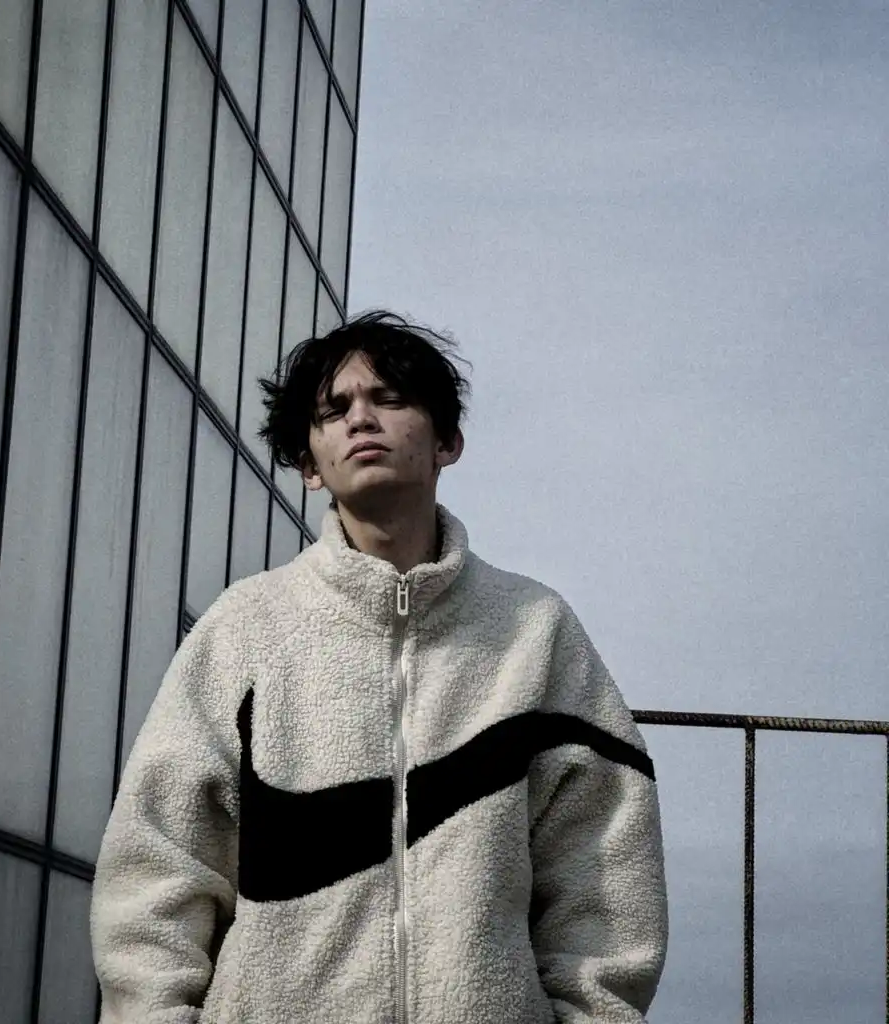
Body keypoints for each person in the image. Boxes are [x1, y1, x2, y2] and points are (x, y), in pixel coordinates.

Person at [90, 311, 669, 1023]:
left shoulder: (535, 630)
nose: (361, 418)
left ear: (447, 441)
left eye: (390, 398)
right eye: (334, 410)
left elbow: (605, 866)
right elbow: (157, 863)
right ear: (309, 465)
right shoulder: (243, 629)